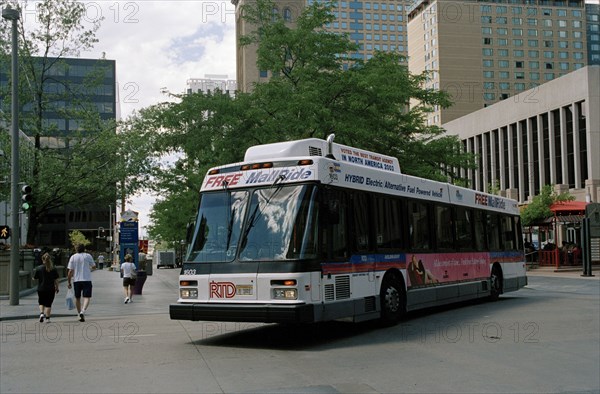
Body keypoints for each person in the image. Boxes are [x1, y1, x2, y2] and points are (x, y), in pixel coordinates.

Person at [67, 244, 96, 322]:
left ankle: (79, 313)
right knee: (87, 297)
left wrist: (69, 282)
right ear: (84, 249)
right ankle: (83, 311)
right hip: (86, 279)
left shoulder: (73, 257)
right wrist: (89, 269)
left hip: (76, 280)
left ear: (76, 249)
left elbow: (70, 271)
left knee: (77, 297)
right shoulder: (88, 256)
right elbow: (94, 266)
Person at [32, 253, 59, 323]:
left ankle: (41, 314)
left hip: (41, 288)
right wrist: (57, 287)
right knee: (48, 304)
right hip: (50, 289)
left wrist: (33, 278)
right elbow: (56, 280)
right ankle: (47, 318)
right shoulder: (53, 269)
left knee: (41, 302)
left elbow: (35, 278)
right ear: (50, 259)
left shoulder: (39, 268)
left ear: (42, 259)